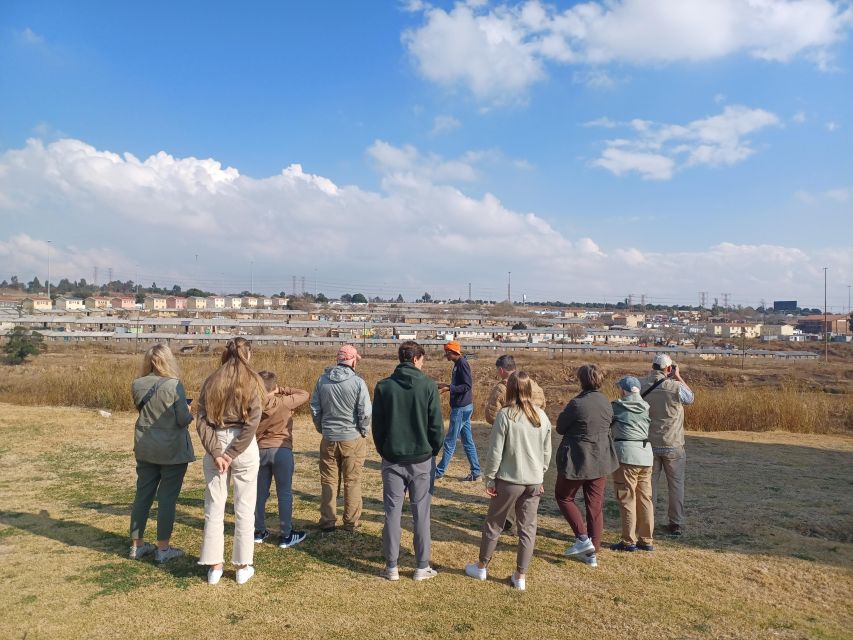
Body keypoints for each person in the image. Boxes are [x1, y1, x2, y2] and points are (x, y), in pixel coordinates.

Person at [465, 372, 552, 591]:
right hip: (533, 481)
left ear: (510, 389)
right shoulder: (542, 416)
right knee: (527, 529)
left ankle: (482, 566)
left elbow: (495, 451)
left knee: (494, 523)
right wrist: (540, 474)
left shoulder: (506, 415)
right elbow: (546, 452)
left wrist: (490, 478)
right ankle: (520, 575)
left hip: (509, 479)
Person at [372, 340, 444, 581]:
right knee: (421, 512)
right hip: (422, 458)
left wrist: (384, 449)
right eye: (422, 359)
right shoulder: (428, 386)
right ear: (415, 359)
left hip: (392, 457)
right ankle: (421, 566)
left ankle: (391, 566)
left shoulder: (383, 387)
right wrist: (433, 449)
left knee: (392, 512)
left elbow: (377, 426)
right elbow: (436, 425)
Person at [196, 337, 264, 585]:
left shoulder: (211, 380)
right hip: (242, 446)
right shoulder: (253, 382)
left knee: (214, 506)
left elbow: (201, 420)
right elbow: (253, 422)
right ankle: (243, 566)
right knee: (245, 507)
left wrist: (217, 452)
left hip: (217, 439)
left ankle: (215, 566)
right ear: (248, 355)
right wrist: (230, 453)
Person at [129, 344, 195, 563]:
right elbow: (182, 420)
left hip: (146, 446)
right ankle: (163, 549)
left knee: (143, 495)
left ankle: (137, 545)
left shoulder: (137, 384)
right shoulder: (174, 385)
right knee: (167, 498)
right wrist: (189, 411)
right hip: (171, 449)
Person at [555, 363, 619, 568]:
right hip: (600, 459)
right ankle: (593, 553)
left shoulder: (577, 404)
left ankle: (583, 539)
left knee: (564, 496)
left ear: (581, 380)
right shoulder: (606, 403)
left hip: (578, 458)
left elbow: (560, 427)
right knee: (595, 506)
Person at [310, 344, 372, 533]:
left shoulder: (322, 381)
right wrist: (363, 431)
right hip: (352, 438)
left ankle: (328, 520)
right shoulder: (358, 382)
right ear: (352, 360)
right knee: (352, 481)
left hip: (329, 437)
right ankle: (351, 522)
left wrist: (322, 428)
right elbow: (365, 412)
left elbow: (315, 408)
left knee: (328, 480)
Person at [483, 354, 547, 533]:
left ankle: (507, 520)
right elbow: (543, 406)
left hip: (509, 440)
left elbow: (491, 415)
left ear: (501, 370)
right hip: (534, 439)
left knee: (509, 479)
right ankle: (524, 522)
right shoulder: (533, 384)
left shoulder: (501, 389)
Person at [253, 370, 310, 549]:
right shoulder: (284, 402)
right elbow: (304, 394)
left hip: (260, 450)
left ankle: (259, 531)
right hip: (282, 450)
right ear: (274, 387)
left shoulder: (254, 406)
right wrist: (282, 390)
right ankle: (286, 534)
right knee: (284, 493)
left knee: (259, 494)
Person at [639, 354, 695, 537]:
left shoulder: (641, 385)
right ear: (668, 369)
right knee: (676, 485)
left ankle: (648, 521)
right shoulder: (676, 387)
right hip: (673, 443)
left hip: (650, 443)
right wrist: (678, 377)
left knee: (649, 485)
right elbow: (690, 398)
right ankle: (676, 522)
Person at [609, 376, 654, 552]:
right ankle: (646, 539)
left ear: (623, 390)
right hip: (645, 455)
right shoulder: (645, 406)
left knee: (627, 497)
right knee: (645, 498)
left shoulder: (617, 406)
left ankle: (629, 540)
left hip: (627, 455)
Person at [435, 340, 480, 481]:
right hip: (463, 407)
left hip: (461, 408)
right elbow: (460, 385)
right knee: (467, 441)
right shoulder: (457, 364)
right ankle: (476, 472)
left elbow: (467, 386)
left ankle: (438, 472)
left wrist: (449, 388)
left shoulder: (462, 364)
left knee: (450, 441)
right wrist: (447, 385)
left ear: (453, 352)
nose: (445, 355)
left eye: (447, 353)